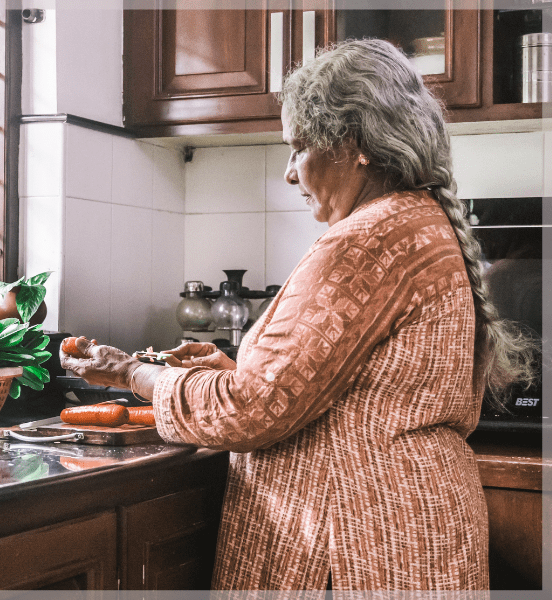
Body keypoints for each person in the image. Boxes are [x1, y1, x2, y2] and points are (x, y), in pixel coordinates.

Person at [60, 39, 535, 591]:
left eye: (298, 148)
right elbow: (351, 394)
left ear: (354, 143)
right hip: (413, 535)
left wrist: (133, 374)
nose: (289, 173)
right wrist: (230, 370)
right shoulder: (419, 223)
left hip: (357, 546)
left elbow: (252, 412)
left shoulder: (363, 241)